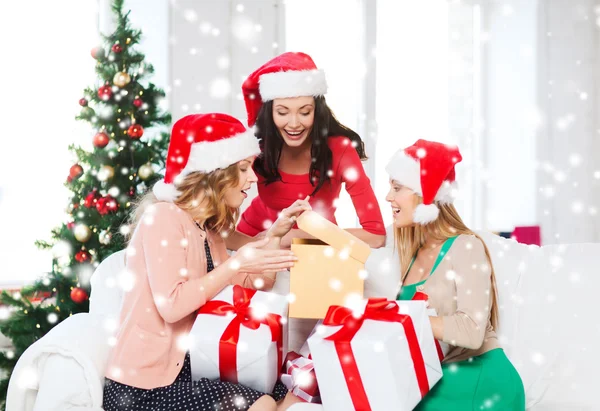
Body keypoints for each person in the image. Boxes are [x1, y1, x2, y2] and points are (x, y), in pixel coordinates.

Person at [103, 113, 307, 411]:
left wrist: (274, 235)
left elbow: (256, 285)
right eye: (243, 168)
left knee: (287, 390)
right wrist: (235, 265)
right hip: (140, 386)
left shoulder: (208, 228)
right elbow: (171, 306)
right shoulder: (164, 217)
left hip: (193, 365)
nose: (253, 177)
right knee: (262, 403)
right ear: (214, 173)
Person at [385, 139, 525, 410]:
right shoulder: (410, 253)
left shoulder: (466, 246)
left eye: (397, 187)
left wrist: (401, 316)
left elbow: (472, 332)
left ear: (424, 193)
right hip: (440, 380)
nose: (388, 197)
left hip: (482, 382)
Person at [226, 51, 386, 250]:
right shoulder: (257, 145)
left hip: (315, 250)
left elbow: (376, 235)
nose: (294, 123)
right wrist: (260, 243)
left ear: (317, 111)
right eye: (282, 112)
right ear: (270, 113)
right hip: (255, 238)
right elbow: (216, 227)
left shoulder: (340, 150)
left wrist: (288, 236)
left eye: (305, 112)